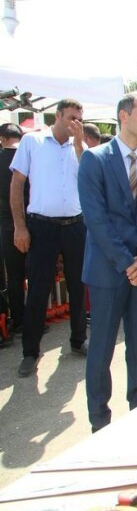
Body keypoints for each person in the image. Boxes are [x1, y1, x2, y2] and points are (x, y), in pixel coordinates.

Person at [78, 94, 137, 432]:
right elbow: (96, 220)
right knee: (101, 350)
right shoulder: (95, 159)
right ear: (123, 116)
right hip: (109, 272)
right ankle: (100, 422)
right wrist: (130, 263)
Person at [11, 99, 88, 378]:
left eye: (80, 119)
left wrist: (79, 146)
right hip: (42, 226)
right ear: (57, 116)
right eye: (71, 118)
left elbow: (89, 180)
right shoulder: (33, 142)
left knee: (78, 286)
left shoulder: (80, 147)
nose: (75, 124)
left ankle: (78, 340)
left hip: (75, 225)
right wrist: (20, 227)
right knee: (39, 288)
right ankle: (30, 352)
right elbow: (17, 184)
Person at [0, 123, 27, 347]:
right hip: (32, 222)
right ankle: (35, 319)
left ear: (2, 139)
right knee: (36, 275)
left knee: (14, 276)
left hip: (7, 224)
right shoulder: (28, 158)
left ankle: (18, 321)